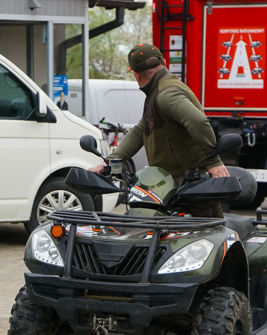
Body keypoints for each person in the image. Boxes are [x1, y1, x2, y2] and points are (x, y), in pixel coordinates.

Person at [90, 43, 229, 217]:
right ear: (164, 62)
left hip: (190, 191)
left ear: (135, 74)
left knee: (206, 238)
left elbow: (199, 122)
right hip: (169, 190)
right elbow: (141, 129)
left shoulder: (166, 94)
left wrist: (213, 162)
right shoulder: (158, 91)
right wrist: (110, 161)